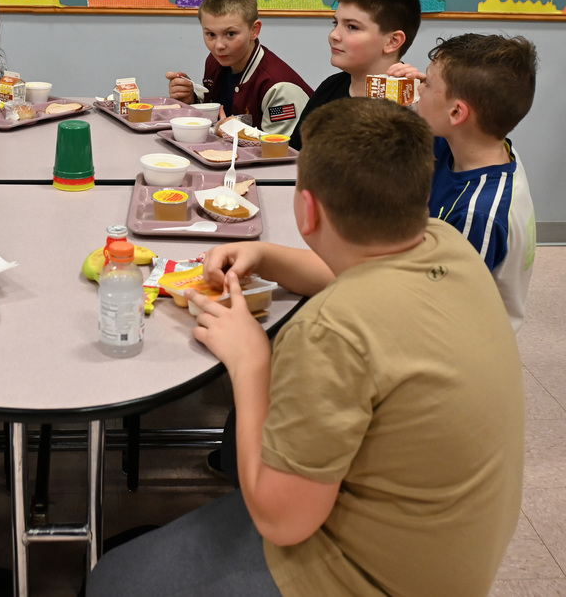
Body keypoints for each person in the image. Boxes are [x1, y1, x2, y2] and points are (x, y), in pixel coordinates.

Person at [88, 98, 524, 597]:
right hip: (448, 550)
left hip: (371, 577)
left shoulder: (331, 330)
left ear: (306, 208)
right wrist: (266, 255)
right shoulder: (444, 240)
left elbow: (282, 521)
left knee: (113, 581)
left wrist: (251, 360)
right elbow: (351, 268)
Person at [388, 33, 538, 331]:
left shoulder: (477, 215)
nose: (418, 87)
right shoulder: (485, 145)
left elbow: (446, 309)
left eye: (426, 83)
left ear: (457, 112)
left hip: (459, 345)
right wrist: (420, 96)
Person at [289, 0, 421, 150]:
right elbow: (296, 155)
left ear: (392, 41)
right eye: (335, 23)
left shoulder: (415, 102)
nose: (334, 35)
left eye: (352, 27)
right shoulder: (330, 88)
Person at [165, 0, 312, 135]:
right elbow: (215, 112)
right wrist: (191, 100)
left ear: (254, 30)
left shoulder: (280, 88)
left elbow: (281, 151)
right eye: (211, 35)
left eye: (230, 34)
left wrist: (231, 130)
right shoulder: (214, 61)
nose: (219, 46)